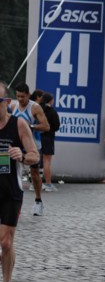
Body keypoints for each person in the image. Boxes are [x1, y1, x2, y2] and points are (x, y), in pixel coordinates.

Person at [0, 83, 40, 282]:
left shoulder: (19, 125)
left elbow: (35, 155)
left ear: (6, 103)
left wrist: (22, 155)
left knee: (5, 243)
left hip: (10, 191)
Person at [10, 83, 49, 216]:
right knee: (12, 174)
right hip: (17, 145)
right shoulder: (14, 106)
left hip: (33, 145)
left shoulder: (35, 108)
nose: (20, 99)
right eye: (18, 96)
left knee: (34, 173)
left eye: (22, 96)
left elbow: (46, 126)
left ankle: (38, 201)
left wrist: (30, 126)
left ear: (28, 94)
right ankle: (13, 203)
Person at [32, 91, 60, 192]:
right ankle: (48, 184)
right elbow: (56, 126)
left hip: (36, 137)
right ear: (51, 101)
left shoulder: (38, 109)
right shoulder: (52, 111)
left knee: (35, 161)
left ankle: (34, 184)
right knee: (47, 161)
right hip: (48, 137)